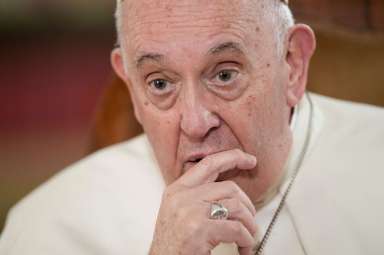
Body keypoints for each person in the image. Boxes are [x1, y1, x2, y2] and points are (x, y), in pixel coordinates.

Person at [1, 0, 384, 254]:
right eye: (160, 83)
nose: (196, 123)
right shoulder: (47, 227)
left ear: (293, 63)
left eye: (224, 74)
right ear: (130, 85)